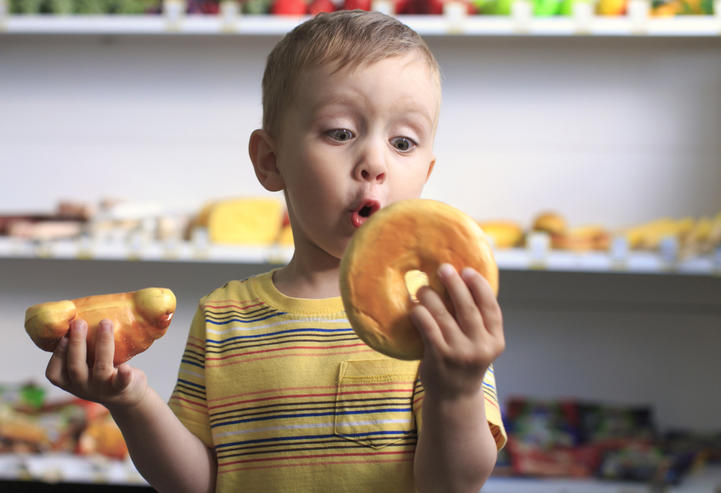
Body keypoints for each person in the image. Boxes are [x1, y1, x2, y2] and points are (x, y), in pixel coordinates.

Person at [44, 10, 507, 493]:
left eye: (403, 142)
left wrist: (456, 391)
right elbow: (196, 483)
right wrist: (131, 401)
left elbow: (451, 485)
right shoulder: (225, 315)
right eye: (341, 133)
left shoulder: (435, 321)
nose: (374, 161)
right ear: (271, 160)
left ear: (426, 174)